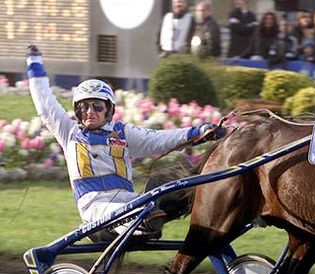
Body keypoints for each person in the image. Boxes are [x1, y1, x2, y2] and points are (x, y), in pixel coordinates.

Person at [25, 45, 223, 238]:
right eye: (83, 107)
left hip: (130, 201)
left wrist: (198, 132)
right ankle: (137, 223)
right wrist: (34, 63)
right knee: (144, 215)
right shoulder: (68, 133)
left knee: (184, 188)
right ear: (77, 111)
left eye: (96, 106)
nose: (89, 112)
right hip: (94, 207)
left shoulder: (123, 133)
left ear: (109, 110)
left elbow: (158, 139)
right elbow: (45, 104)